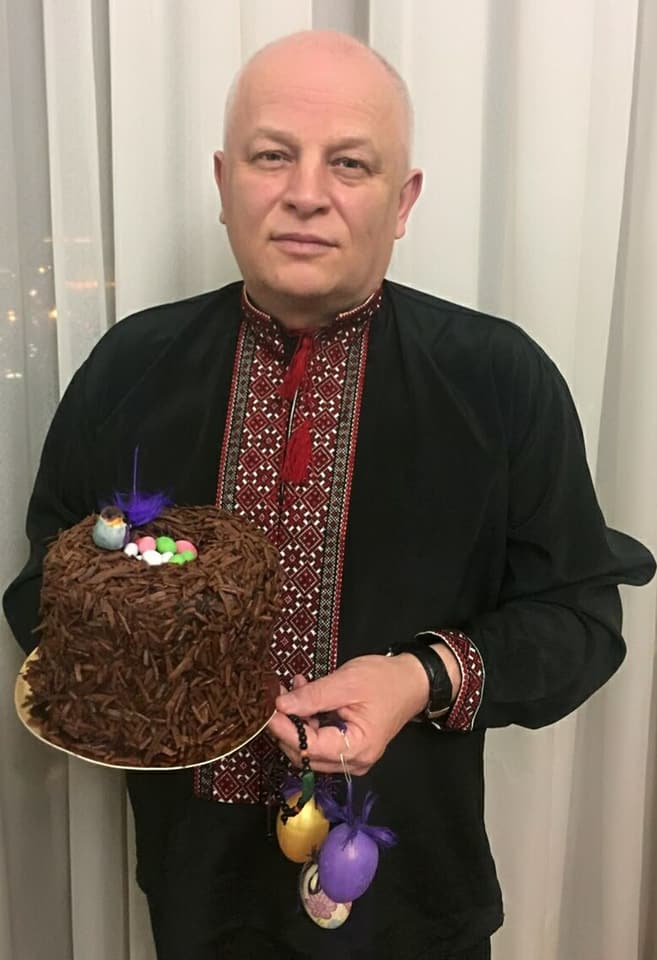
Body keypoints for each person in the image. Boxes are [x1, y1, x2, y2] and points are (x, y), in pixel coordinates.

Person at [3, 29, 655, 960]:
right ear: (224, 181)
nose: (305, 192)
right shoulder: (130, 369)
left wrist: (418, 677)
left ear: (403, 200)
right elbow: (47, 586)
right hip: (196, 901)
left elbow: (578, 619)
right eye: (272, 156)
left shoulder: (497, 381)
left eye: (350, 163)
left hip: (418, 902)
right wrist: (170, 665)